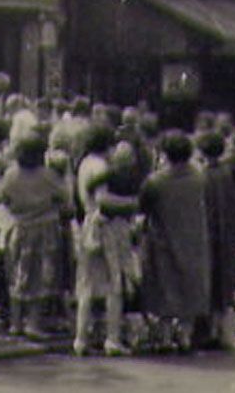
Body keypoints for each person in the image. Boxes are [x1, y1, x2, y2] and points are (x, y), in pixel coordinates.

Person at [139, 130, 211, 352]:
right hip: (194, 238)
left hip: (164, 240)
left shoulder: (156, 181)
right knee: (190, 286)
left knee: (165, 287)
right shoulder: (200, 176)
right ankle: (185, 336)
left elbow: (144, 207)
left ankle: (165, 337)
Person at [72, 124, 137, 356]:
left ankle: (81, 338)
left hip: (88, 226)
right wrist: (132, 203)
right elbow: (103, 199)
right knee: (113, 284)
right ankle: (113, 338)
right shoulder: (100, 167)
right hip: (106, 227)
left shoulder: (84, 163)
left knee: (87, 284)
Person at [1, 134, 68, 341]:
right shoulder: (48, 176)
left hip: (19, 227)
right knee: (41, 275)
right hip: (45, 228)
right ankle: (34, 323)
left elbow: (4, 198)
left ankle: (15, 322)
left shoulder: (11, 175)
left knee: (18, 274)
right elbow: (65, 197)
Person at [199, 131, 235, 348]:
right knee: (223, 284)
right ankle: (222, 331)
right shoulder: (227, 174)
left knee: (210, 283)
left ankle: (210, 332)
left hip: (209, 236)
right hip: (227, 236)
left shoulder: (204, 176)